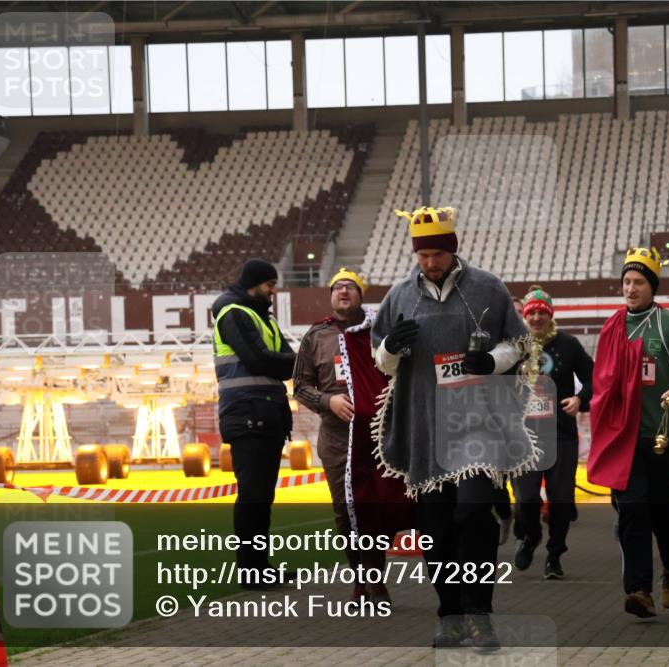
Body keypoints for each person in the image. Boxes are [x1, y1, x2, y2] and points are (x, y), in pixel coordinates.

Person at [371, 206, 533, 651]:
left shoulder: (487, 288)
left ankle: (480, 614)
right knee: (436, 528)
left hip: (476, 423)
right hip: (424, 426)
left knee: (474, 515)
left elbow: (518, 344)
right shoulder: (400, 296)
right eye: (423, 254)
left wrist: (492, 361)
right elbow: (379, 359)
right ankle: (450, 614)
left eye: (438, 253)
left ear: (453, 250)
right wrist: (390, 348)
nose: (430, 262)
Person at [587, 247, 669, 618]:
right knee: (632, 511)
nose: (631, 288)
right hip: (622, 439)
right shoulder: (611, 327)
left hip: (661, 438)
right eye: (626, 281)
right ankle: (639, 589)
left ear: (652, 286)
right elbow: (602, 383)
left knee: (663, 514)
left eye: (639, 282)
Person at [293, 268, 412, 606]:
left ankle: (376, 578)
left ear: (361, 295)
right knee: (346, 513)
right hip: (336, 440)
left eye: (350, 287)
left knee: (379, 507)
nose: (343, 291)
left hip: (379, 437)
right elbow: (300, 386)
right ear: (331, 295)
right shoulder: (316, 335)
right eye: (337, 287)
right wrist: (327, 400)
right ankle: (362, 581)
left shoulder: (380, 332)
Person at [211, 258, 296, 589]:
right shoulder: (234, 314)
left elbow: (286, 361)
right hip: (247, 412)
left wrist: (292, 362)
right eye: (270, 285)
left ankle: (260, 565)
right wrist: (296, 361)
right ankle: (251, 570)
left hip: (266, 413)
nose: (274, 291)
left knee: (261, 496)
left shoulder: (262, 318)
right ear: (253, 283)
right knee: (253, 495)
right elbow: (262, 360)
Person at [512, 286, 593, 579]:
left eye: (541, 313)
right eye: (531, 312)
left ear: (550, 315)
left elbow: (594, 378)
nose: (536, 317)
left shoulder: (568, 345)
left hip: (561, 435)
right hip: (523, 436)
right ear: (524, 315)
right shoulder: (513, 346)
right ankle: (530, 535)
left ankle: (555, 555)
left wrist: (581, 399)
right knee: (526, 498)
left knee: (561, 500)